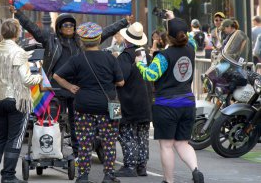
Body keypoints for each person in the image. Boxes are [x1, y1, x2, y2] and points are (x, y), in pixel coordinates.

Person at [11, 5, 133, 157]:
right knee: (52, 122)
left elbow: (105, 32)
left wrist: (123, 22)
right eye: (65, 24)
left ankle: (77, 155)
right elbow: (32, 28)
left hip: (77, 88)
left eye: (71, 25)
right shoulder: (50, 39)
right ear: (59, 27)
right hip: (54, 87)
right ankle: (51, 152)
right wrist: (19, 14)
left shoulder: (82, 41)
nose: (68, 27)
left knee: (76, 124)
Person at [135, 11, 204, 183]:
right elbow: (187, 35)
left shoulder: (163, 57)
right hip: (187, 102)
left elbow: (150, 75)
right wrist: (173, 20)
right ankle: (196, 171)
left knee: (166, 145)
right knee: (183, 144)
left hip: (166, 105)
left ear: (168, 38)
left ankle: (169, 180)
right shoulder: (191, 48)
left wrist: (140, 63)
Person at [53, 22, 125, 183]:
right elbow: (121, 83)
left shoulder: (77, 59)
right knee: (109, 141)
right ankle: (108, 175)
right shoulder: (110, 58)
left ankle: (83, 175)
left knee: (84, 141)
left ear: (82, 41)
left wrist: (70, 87)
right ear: (99, 39)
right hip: (108, 106)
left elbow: (57, 76)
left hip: (83, 105)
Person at [0, 18, 43, 183]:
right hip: (16, 100)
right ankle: (8, 176)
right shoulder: (19, 52)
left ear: (2, 33)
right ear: (17, 33)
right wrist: (40, 77)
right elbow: (26, 79)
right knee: (15, 138)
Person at [115, 22, 153, 178]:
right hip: (146, 101)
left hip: (129, 102)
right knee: (142, 135)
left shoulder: (125, 56)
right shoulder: (147, 56)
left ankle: (130, 165)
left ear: (127, 39)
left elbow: (120, 80)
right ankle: (141, 166)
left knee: (128, 133)